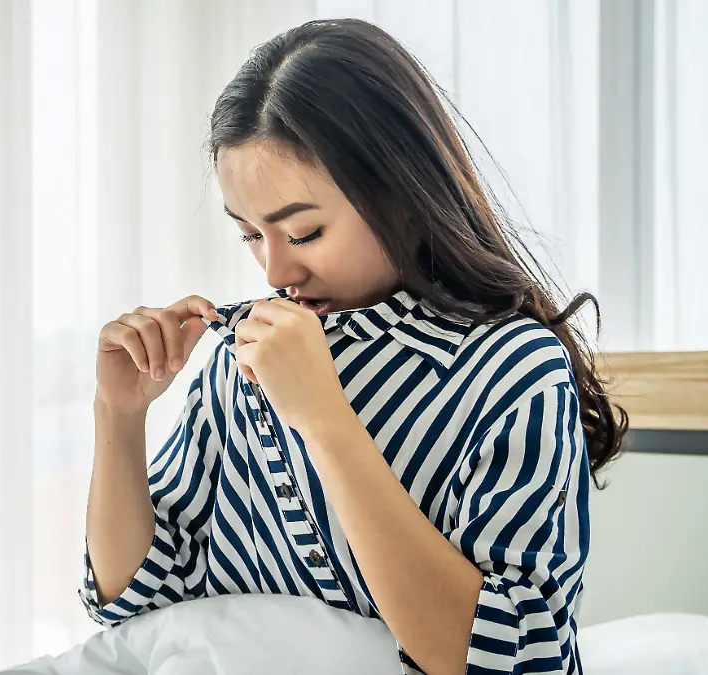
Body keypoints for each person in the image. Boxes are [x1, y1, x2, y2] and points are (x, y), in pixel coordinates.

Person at [82, 18, 626, 675]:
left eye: (304, 232)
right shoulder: (240, 362)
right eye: (250, 235)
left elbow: (515, 658)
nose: (275, 272)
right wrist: (119, 415)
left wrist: (325, 419)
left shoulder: (511, 368)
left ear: (399, 197)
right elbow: (134, 596)